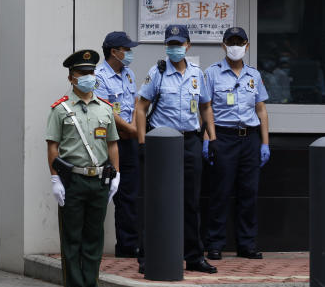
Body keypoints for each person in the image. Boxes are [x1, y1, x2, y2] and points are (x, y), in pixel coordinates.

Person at [135, 24, 217, 274]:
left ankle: (193, 256)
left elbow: (205, 107)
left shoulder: (197, 74)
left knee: (191, 202)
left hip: (190, 141)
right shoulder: (157, 73)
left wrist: (210, 138)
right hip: (161, 143)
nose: (174, 49)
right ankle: (147, 256)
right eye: (170, 44)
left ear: (188, 46)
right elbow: (140, 108)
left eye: (179, 44)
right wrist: (142, 142)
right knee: (157, 200)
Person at [46, 50, 119, 287]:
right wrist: (55, 179)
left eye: (91, 72)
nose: (88, 77)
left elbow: (112, 145)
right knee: (72, 238)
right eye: (82, 73)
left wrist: (116, 175)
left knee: (94, 238)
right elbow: (53, 148)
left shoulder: (106, 109)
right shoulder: (60, 109)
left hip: (98, 180)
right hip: (73, 181)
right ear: (71, 77)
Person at [201, 27, 270, 260]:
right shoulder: (212, 73)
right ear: (223, 45)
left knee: (249, 192)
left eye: (240, 42)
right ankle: (215, 243)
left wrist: (265, 143)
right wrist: (209, 139)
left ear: (247, 46)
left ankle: (247, 244)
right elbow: (206, 107)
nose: (236, 46)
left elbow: (261, 109)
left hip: (250, 138)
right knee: (220, 192)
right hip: (223, 137)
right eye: (231, 42)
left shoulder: (254, 75)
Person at [94, 31, 140, 258]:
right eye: (127, 49)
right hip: (107, 142)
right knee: (101, 193)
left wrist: (134, 127)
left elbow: (135, 104)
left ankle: (127, 245)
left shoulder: (129, 74)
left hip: (129, 143)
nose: (129, 53)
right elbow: (106, 110)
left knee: (128, 195)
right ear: (114, 51)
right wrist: (131, 129)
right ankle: (93, 246)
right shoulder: (99, 76)